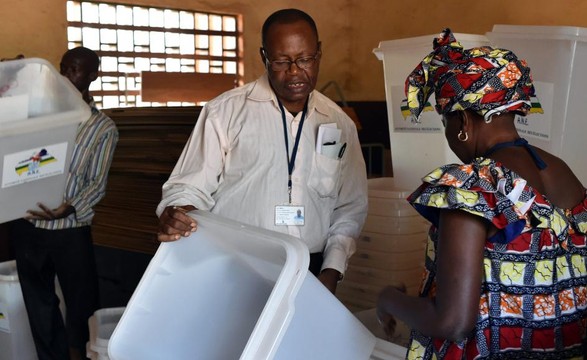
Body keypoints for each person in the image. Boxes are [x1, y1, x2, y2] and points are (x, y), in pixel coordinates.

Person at [376, 29, 587, 359]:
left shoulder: (471, 186)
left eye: (446, 122)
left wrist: (388, 299)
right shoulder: (562, 171)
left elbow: (452, 322)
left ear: (461, 121)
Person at [156, 8, 368, 294]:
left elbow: (350, 206)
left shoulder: (339, 123)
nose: (294, 71)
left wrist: (331, 270)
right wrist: (178, 212)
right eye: (281, 61)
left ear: (318, 53)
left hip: (311, 268)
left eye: (304, 59)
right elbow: (187, 188)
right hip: (237, 265)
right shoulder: (225, 112)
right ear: (264, 57)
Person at [11, 47, 118, 360]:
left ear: (93, 75)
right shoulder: (42, 118)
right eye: (64, 68)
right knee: (39, 306)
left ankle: (84, 356)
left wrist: (68, 207)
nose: (68, 76)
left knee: (82, 307)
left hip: (70, 229)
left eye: (76, 70)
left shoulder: (103, 128)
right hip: (28, 225)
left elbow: (97, 183)